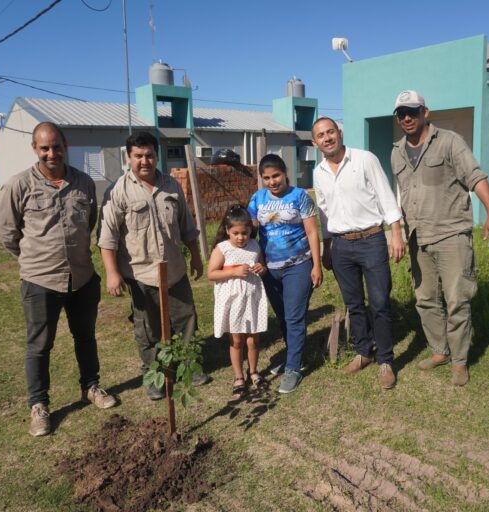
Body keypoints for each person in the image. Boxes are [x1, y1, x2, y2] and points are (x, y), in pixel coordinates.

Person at [0, 122, 116, 437]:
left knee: (85, 336)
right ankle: (39, 405)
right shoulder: (19, 185)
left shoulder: (84, 183)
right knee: (39, 345)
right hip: (39, 281)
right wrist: (31, 258)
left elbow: (89, 222)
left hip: (82, 278)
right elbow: (6, 230)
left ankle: (91, 387)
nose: (51, 153)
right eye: (44, 148)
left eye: (56, 146)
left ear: (65, 145)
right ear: (35, 149)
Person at [390, 90, 489, 386]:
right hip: (418, 237)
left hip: (451, 234)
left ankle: (460, 360)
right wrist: (397, 231)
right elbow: (401, 195)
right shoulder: (396, 151)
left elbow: (475, 177)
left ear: (425, 112)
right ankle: (440, 351)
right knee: (425, 299)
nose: (406, 118)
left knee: (457, 300)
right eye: (401, 113)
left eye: (412, 111)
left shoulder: (450, 142)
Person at [97, 131, 209, 401]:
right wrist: (112, 273)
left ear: (157, 156)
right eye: (138, 156)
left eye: (149, 155)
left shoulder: (171, 186)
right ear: (128, 157)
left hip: (174, 270)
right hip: (140, 274)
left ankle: (188, 367)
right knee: (147, 328)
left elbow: (187, 225)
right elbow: (107, 236)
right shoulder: (118, 191)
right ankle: (154, 375)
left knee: (186, 320)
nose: (144, 161)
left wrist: (194, 256)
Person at [312, 117, 405, 390]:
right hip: (341, 245)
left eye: (331, 132)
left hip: (372, 239)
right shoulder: (318, 172)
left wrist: (396, 233)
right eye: (321, 135)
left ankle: (386, 360)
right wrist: (327, 245)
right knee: (354, 303)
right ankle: (363, 352)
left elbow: (386, 196)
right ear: (315, 143)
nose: (327, 138)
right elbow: (324, 210)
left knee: (379, 302)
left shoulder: (364, 159)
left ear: (339, 133)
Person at [248, 154, 322, 394]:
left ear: (285, 172)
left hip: (298, 265)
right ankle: (294, 357)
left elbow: (312, 232)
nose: (272, 182)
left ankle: (293, 370)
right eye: (266, 178)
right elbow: (249, 231)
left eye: (276, 176)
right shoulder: (257, 199)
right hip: (270, 270)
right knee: (282, 317)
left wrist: (317, 265)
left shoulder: (300, 196)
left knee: (294, 317)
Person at [207, 205, 268, 395]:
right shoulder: (223, 248)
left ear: (251, 230)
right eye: (236, 233)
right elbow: (211, 274)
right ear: (227, 231)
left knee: (253, 340)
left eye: (245, 232)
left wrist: (261, 269)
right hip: (233, 301)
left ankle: (254, 372)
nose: (241, 237)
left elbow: (263, 266)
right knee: (237, 340)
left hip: (252, 297)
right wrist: (233, 271)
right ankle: (239, 376)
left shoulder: (255, 246)